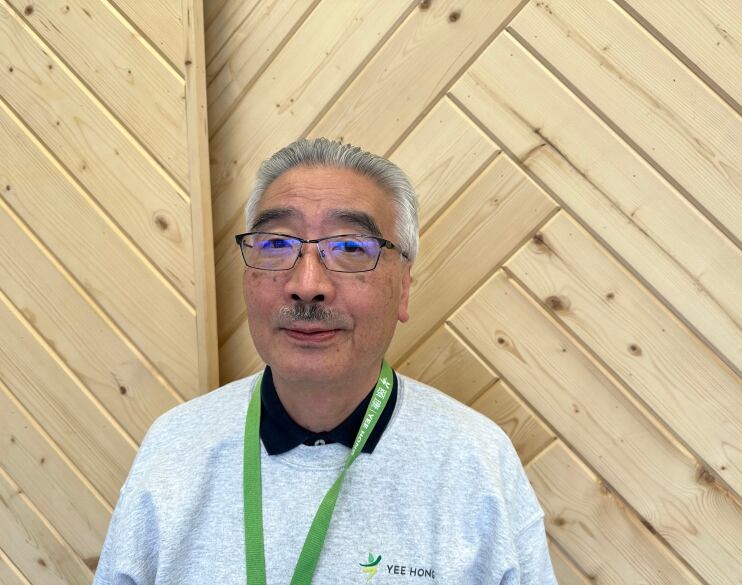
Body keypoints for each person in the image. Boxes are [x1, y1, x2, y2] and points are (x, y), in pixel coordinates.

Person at [93, 138, 557, 584]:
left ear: (404, 287)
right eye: (276, 244)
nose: (307, 283)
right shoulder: (175, 448)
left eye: (351, 248)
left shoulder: (476, 460)